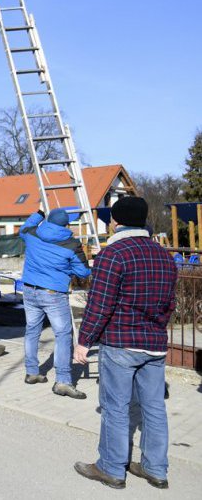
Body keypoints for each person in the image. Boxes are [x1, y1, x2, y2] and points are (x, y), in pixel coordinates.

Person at [73, 196, 178, 490]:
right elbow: (170, 303)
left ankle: (111, 468)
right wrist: (156, 327)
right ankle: (155, 468)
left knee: (116, 407)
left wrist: (84, 342)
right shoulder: (164, 256)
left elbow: (99, 304)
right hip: (154, 344)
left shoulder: (113, 254)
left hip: (120, 342)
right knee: (154, 408)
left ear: (116, 222)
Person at [18, 204, 91, 398]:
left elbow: (23, 228)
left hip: (29, 289)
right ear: (67, 225)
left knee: (32, 329)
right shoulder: (71, 243)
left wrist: (39, 212)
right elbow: (83, 272)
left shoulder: (32, 233)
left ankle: (32, 372)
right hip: (53, 293)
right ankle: (63, 381)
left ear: (47, 220)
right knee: (63, 334)